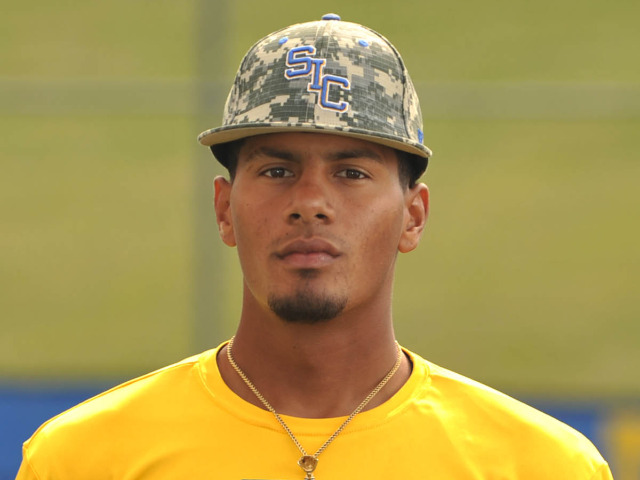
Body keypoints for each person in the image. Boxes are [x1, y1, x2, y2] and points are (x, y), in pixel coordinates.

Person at [17, 14, 612, 480]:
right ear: (224, 209)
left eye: (351, 173)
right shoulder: (84, 457)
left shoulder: (540, 465)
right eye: (277, 171)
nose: (310, 202)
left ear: (413, 216)